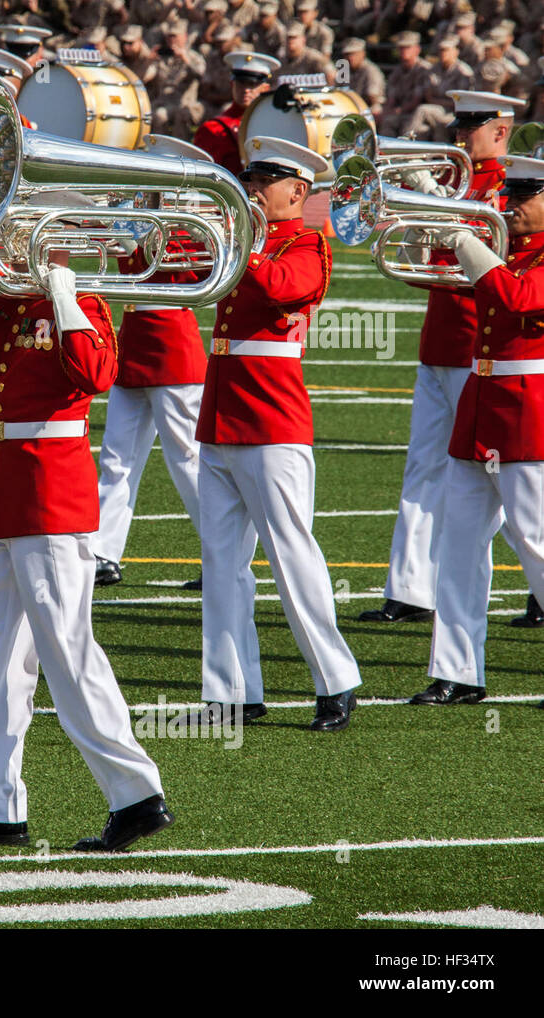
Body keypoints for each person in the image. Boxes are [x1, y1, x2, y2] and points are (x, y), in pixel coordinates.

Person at [0, 202, 174, 854]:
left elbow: (95, 374)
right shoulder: (1, 304)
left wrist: (62, 290)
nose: (8, 243)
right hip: (11, 498)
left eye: (18, 233)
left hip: (53, 497)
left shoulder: (81, 301)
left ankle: (136, 793)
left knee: (67, 651)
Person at [197, 136, 362, 731]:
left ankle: (335, 681)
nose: (251, 190)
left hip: (270, 417)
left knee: (292, 555)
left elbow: (276, 288)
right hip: (219, 412)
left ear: (296, 191)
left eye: (262, 182)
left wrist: (238, 235)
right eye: (249, 179)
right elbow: (175, 267)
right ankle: (232, 689)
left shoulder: (308, 244)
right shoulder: (248, 237)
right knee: (221, 561)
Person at [357, 92, 529, 624]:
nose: (459, 136)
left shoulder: (511, 186)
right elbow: (432, 257)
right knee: (424, 466)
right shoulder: (464, 181)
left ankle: (538, 588)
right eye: (459, 125)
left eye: (471, 127)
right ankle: (410, 589)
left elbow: (495, 265)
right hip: (441, 341)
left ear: (499, 131)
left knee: (508, 483)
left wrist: (435, 197)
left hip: (483, 345)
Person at [414, 153, 544, 705]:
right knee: (459, 546)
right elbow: (475, 286)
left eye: (527, 195)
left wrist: (463, 238)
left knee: (537, 543)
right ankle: (457, 671)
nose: (511, 203)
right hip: (481, 407)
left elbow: (515, 298)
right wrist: (434, 211)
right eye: (511, 192)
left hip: (527, 413)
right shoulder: (511, 251)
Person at [92, 134, 211, 589]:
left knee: (188, 459)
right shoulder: (132, 218)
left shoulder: (187, 227)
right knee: (117, 458)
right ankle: (103, 551)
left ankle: (219, 552)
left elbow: (202, 273)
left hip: (173, 350)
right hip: (133, 345)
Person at [193, 51, 279, 177]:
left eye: (252, 84)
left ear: (265, 88)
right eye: (241, 83)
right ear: (232, 84)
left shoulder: (276, 125)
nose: (246, 90)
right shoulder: (212, 129)